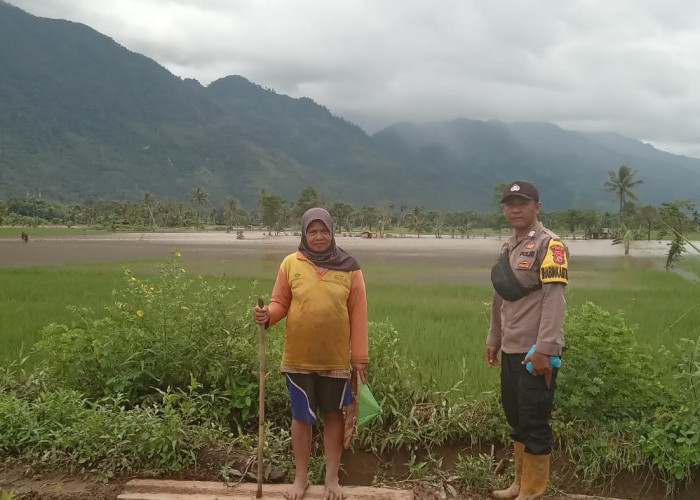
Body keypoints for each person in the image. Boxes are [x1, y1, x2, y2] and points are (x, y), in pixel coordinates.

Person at [253, 207, 369, 500]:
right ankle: (300, 478)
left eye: (324, 231)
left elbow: (358, 315)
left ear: (332, 232)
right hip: (298, 358)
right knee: (301, 417)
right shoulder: (291, 263)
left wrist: (360, 359)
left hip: (335, 359)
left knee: (333, 415)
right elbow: (281, 302)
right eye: (312, 231)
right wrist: (268, 315)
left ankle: (332, 479)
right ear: (304, 233)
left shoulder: (350, 268)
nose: (318, 236)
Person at [485, 181, 568, 500]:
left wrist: (545, 349)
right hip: (511, 347)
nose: (515, 208)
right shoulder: (509, 247)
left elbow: (554, 298)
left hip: (536, 352)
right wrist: (494, 335)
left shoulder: (551, 245)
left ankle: (532, 492)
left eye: (522, 202)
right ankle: (519, 484)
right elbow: (500, 295)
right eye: (509, 203)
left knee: (535, 420)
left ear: (537, 206)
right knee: (516, 416)